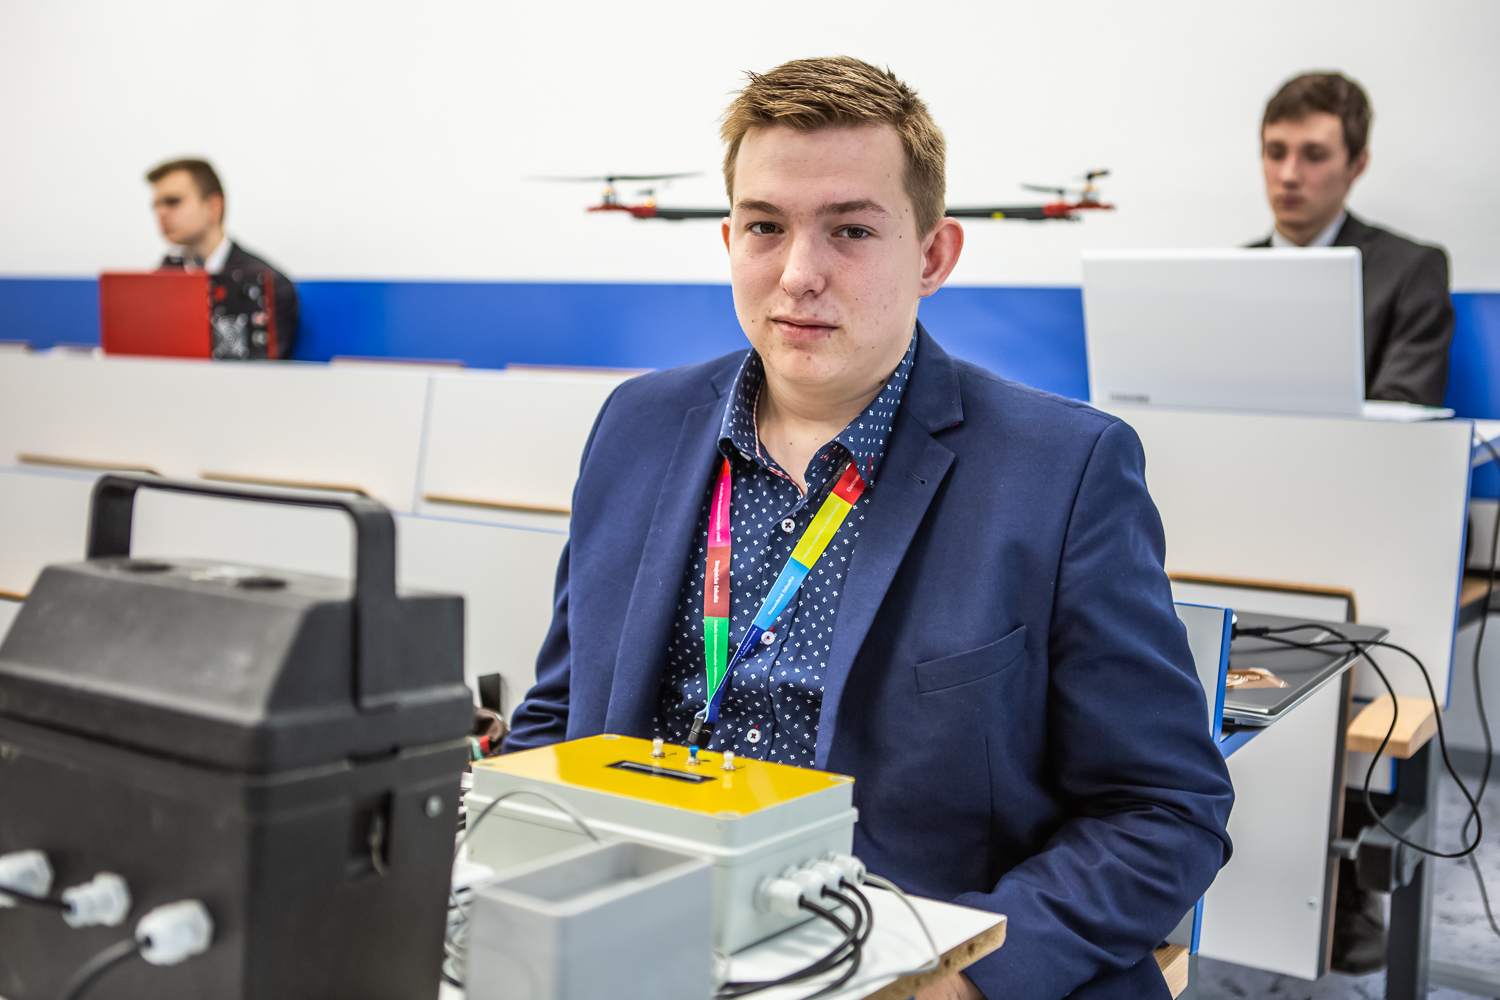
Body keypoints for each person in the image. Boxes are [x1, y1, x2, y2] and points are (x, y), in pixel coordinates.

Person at [504, 57, 1234, 999]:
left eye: (850, 230)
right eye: (765, 227)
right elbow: (558, 721)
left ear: (932, 257)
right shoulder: (635, 428)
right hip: (639, 944)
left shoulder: (1062, 472)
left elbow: (1163, 809)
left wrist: (963, 978)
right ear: (729, 239)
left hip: (902, 961)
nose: (798, 275)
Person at [1251, 72, 1454, 406]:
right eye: (1275, 153)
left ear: (1357, 165)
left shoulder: (1410, 272)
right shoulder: (1226, 274)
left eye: (1314, 155)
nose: (1288, 175)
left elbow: (1401, 412)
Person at [148, 158, 299, 359]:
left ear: (214, 207)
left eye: (173, 201)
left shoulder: (267, 285)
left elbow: (263, 371)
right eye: (156, 205)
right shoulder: (159, 281)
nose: (161, 213)